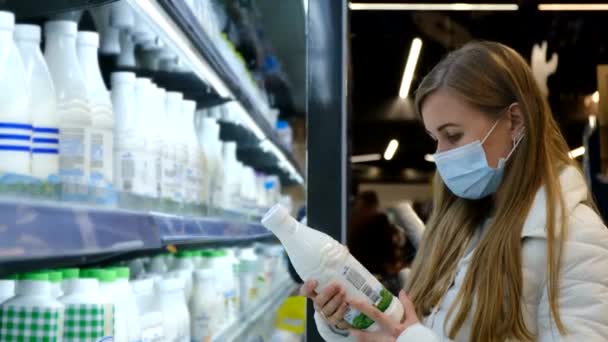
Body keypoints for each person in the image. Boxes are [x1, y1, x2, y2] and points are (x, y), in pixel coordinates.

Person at [300, 41, 608, 342]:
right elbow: (417, 326)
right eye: (435, 138)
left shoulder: (576, 236)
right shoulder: (458, 222)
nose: (441, 154)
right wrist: (349, 320)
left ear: (515, 121)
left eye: (452, 135)